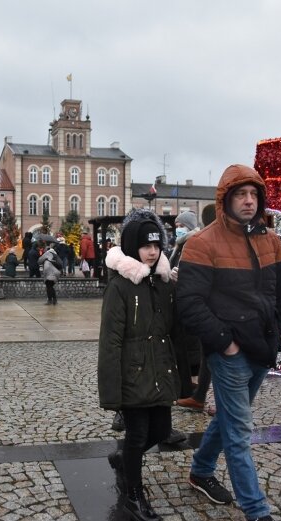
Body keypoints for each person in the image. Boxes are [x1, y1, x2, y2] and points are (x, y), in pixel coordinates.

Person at [177, 165, 281, 521]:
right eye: (241, 194)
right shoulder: (203, 242)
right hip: (230, 354)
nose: (248, 201)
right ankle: (257, 510)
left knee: (230, 417)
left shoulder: (270, 240)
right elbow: (189, 303)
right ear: (226, 199)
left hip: (263, 349)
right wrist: (225, 344)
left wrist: (277, 336)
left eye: (254, 194)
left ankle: (200, 470)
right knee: (240, 431)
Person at [98, 210, 180, 521]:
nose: (152, 251)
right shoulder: (120, 287)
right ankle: (134, 494)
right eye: (146, 246)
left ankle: (123, 460)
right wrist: (112, 390)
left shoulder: (162, 283)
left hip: (159, 372)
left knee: (160, 431)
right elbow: (110, 341)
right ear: (134, 247)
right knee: (136, 435)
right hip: (132, 375)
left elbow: (172, 328)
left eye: (157, 246)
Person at [170, 210, 216, 416]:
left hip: (193, 304)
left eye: (180, 224)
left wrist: (183, 279)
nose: (177, 228)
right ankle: (194, 393)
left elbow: (201, 274)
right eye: (175, 224)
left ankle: (198, 392)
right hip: (181, 303)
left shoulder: (194, 243)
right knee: (193, 349)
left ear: (188, 226)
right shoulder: (179, 245)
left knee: (199, 350)